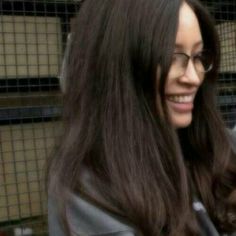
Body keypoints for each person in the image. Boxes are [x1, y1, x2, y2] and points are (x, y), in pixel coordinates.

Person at [47, 0, 236, 235]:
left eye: (197, 55)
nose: (194, 77)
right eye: (170, 55)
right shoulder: (90, 192)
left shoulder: (201, 143)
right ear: (118, 65)